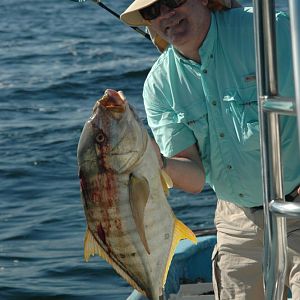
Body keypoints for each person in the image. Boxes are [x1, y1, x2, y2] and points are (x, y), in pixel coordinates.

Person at [120, 0, 300, 299]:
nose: (166, 14)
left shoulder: (269, 31)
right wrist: (158, 161)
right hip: (236, 219)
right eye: (152, 11)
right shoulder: (160, 85)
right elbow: (193, 178)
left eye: (173, 0)